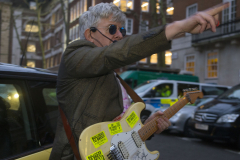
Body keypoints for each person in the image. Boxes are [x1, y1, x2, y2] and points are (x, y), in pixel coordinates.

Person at [49, 2, 229, 160]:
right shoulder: (74, 56)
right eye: (112, 29)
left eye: (122, 30)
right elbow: (116, 54)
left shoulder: (113, 75)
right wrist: (178, 27)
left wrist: (147, 125)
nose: (119, 35)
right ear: (90, 35)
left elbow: (118, 131)